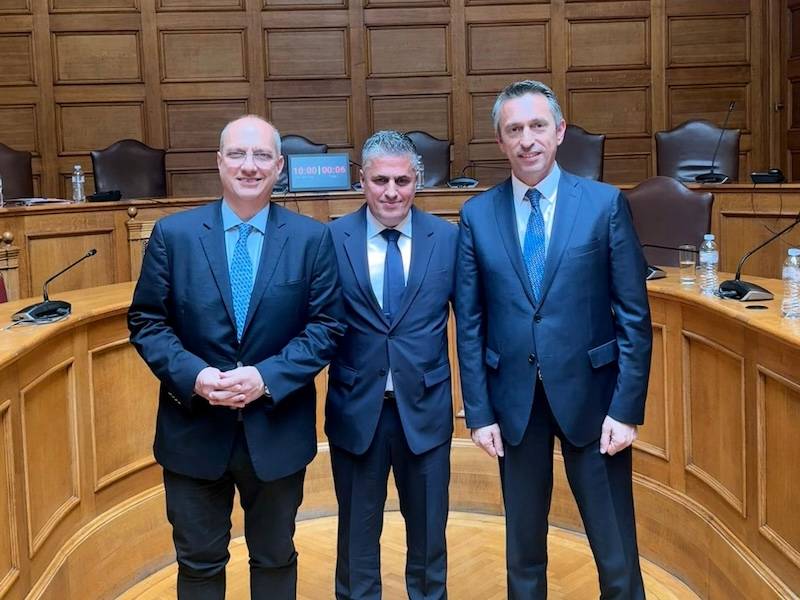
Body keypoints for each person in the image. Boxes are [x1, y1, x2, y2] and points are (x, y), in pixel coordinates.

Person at [128, 115, 345, 600]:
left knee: (275, 559)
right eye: (238, 154)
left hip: (276, 432)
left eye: (262, 155)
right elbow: (147, 322)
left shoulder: (312, 239)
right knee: (199, 566)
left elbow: (327, 327)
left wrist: (266, 377)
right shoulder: (173, 235)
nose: (250, 166)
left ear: (280, 166)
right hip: (193, 433)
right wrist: (196, 376)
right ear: (219, 162)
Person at [455, 80, 652, 599]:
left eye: (538, 125)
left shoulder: (605, 204)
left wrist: (626, 408)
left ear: (560, 131)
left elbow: (634, 316)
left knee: (615, 553)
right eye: (514, 129)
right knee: (523, 552)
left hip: (596, 402)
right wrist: (479, 412)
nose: (527, 140)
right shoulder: (476, 215)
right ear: (500, 141)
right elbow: (469, 322)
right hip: (513, 404)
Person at [326, 130, 458, 600]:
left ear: (417, 180)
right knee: (356, 541)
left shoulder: (448, 239)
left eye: (402, 180)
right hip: (356, 409)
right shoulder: (332, 239)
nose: (391, 192)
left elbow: (471, 324)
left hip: (425, 410)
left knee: (429, 538)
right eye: (380, 180)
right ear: (362, 180)